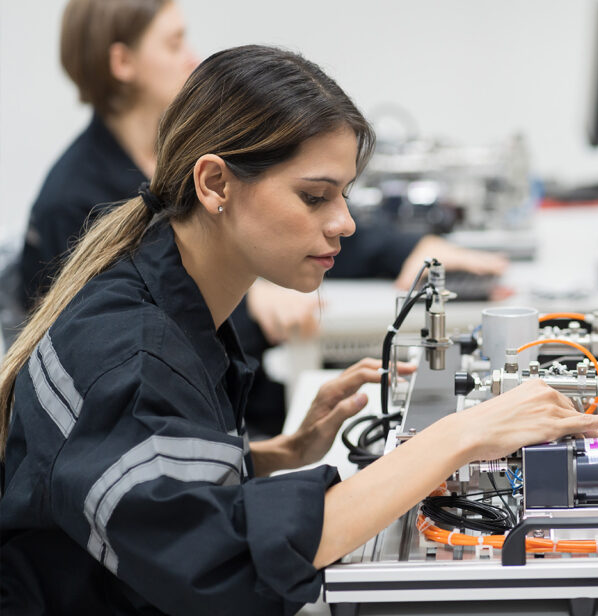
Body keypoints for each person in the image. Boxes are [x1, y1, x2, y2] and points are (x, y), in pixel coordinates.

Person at [0, 45, 598, 614]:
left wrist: (277, 456)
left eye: (345, 195)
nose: (345, 223)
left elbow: (152, 495)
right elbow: (226, 561)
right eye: (315, 197)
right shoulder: (132, 353)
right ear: (215, 183)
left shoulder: (166, 296)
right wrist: (463, 436)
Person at [20, 0, 508, 437]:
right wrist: (452, 441)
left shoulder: (166, 165)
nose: (190, 57)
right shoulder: (79, 208)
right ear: (212, 185)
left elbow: (293, 215)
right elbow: (207, 524)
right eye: (173, 43)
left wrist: (409, 248)